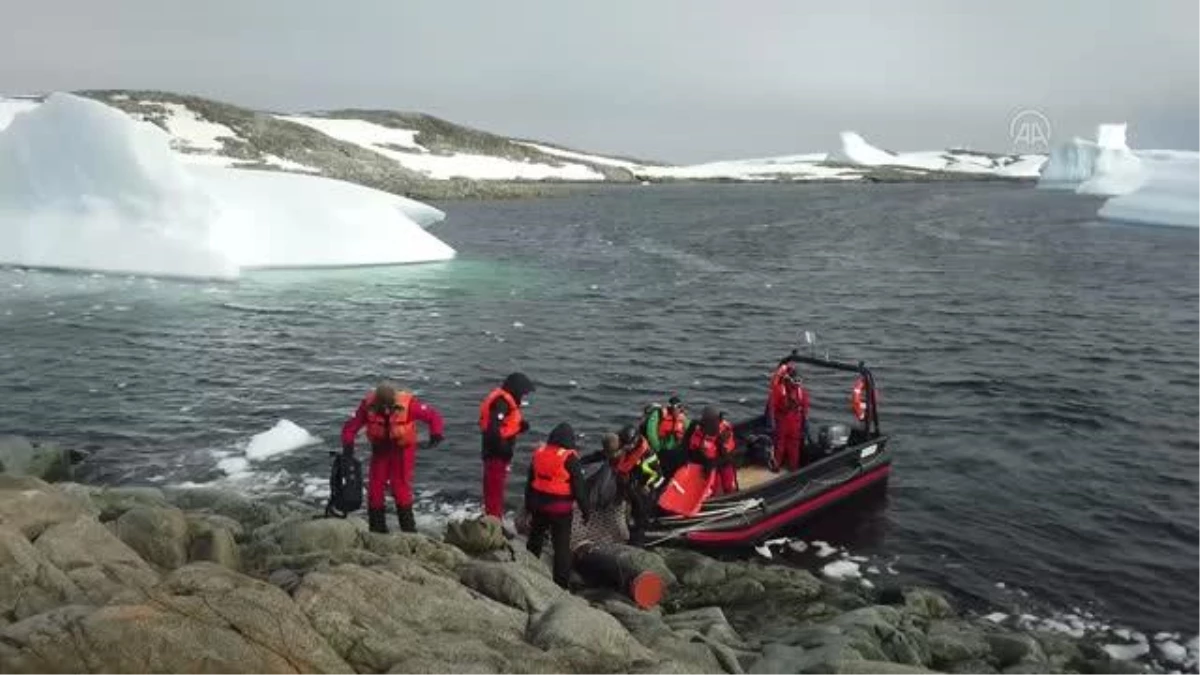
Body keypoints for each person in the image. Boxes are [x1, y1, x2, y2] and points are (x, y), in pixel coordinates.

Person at [342, 381, 444, 533]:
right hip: (380, 450)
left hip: (402, 450)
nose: (386, 410)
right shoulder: (367, 407)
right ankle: (377, 528)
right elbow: (351, 426)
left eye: (389, 407)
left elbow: (433, 416)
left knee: (400, 487)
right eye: (382, 407)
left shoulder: (409, 406)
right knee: (375, 488)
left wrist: (436, 434)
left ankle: (408, 530)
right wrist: (348, 446)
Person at [525, 422, 590, 588]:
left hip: (538, 505)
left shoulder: (539, 453)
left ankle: (527, 568)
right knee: (561, 547)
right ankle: (560, 584)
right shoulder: (569, 457)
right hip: (560, 510)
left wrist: (528, 506)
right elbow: (579, 488)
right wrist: (585, 511)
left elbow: (530, 482)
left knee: (535, 538)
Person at [478, 372, 535, 519]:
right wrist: (503, 450)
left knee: (494, 490)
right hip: (496, 454)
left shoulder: (503, 400)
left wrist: (520, 426)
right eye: (522, 393)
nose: (523, 397)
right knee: (494, 491)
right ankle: (494, 524)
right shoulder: (502, 403)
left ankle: (492, 520)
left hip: (495, 452)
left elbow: (504, 427)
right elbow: (493, 430)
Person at [683, 406, 738, 496]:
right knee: (713, 488)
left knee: (728, 484)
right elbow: (692, 448)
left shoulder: (725, 432)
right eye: (706, 422)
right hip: (708, 464)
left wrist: (712, 463)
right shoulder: (698, 431)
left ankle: (732, 495)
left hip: (723, 462)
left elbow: (727, 456)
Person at [767, 362, 810, 472]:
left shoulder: (801, 392)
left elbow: (805, 406)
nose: (797, 383)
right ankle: (776, 465)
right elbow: (772, 406)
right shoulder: (779, 390)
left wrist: (805, 421)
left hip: (796, 421)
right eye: (795, 380)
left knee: (794, 446)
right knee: (779, 444)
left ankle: (793, 467)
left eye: (799, 380)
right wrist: (772, 421)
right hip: (782, 420)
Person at [642, 396, 688, 479]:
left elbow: (689, 427)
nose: (678, 410)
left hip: (674, 449)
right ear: (670, 407)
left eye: (680, 407)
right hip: (660, 448)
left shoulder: (682, 417)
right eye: (676, 407)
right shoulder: (658, 415)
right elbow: (651, 431)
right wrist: (657, 447)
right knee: (663, 468)